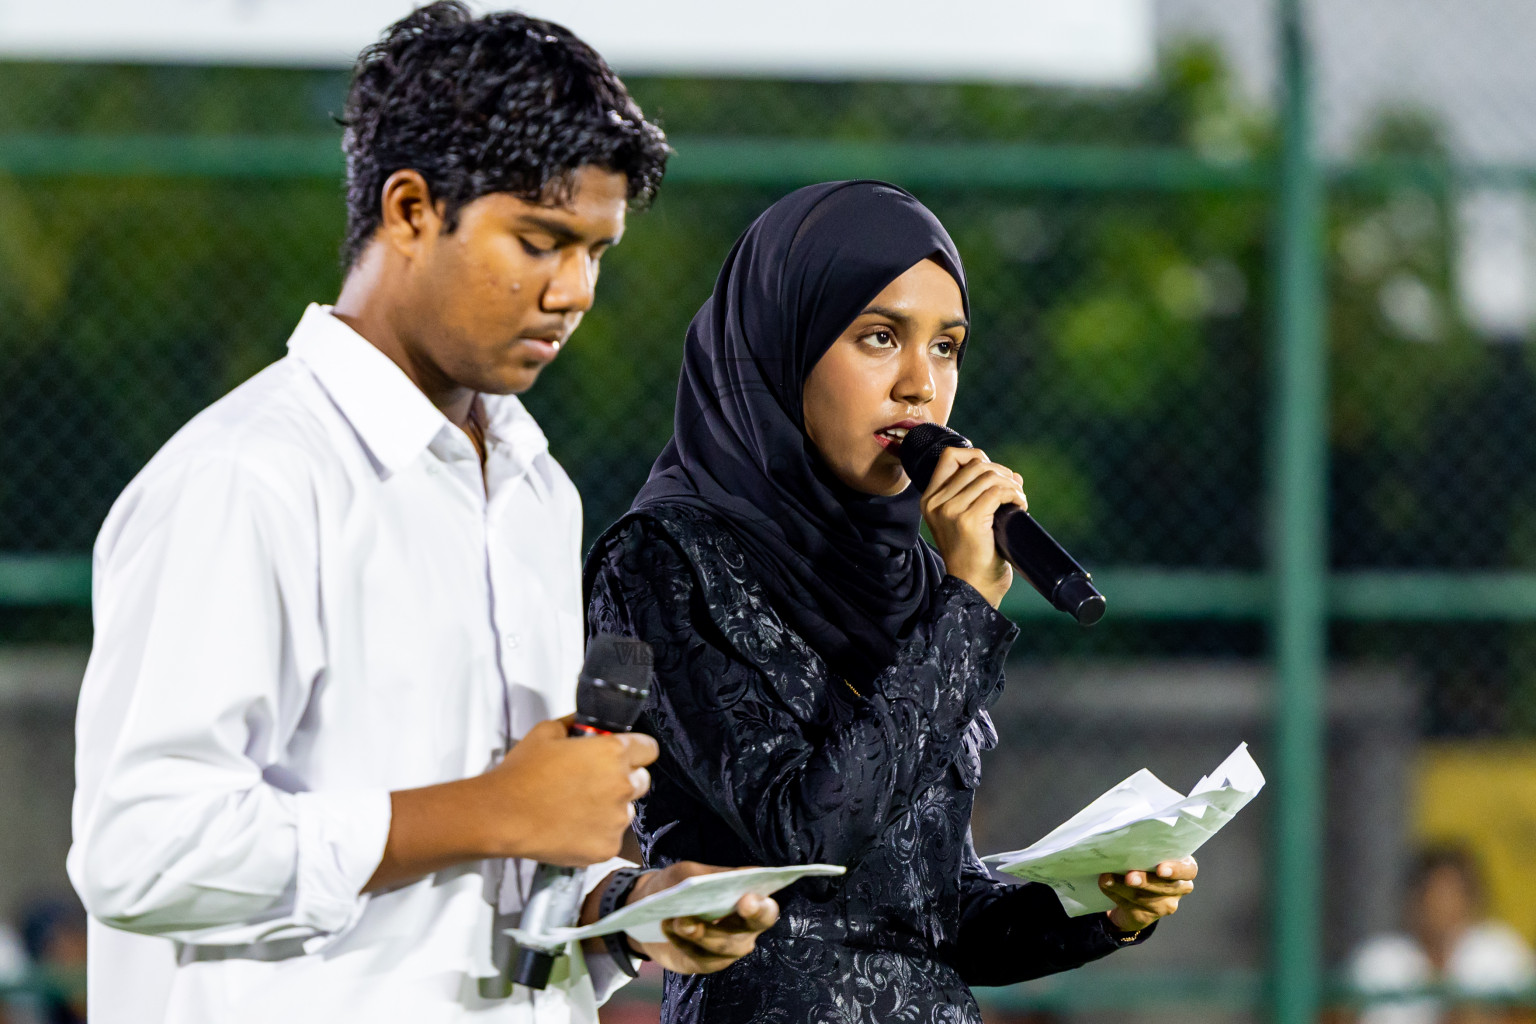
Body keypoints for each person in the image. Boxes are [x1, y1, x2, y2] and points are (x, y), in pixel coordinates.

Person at [67, 5, 776, 1023]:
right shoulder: (247, 477)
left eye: (596, 251)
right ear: (408, 211)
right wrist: (490, 809)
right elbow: (140, 851)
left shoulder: (535, 488)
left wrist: (621, 908)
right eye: (539, 241)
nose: (573, 291)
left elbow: (492, 871)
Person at [584, 180, 1198, 1023]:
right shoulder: (664, 560)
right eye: (880, 338)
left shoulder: (918, 583)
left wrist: (1099, 908)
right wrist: (968, 607)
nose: (921, 385)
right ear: (782, 344)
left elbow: (930, 918)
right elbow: (807, 839)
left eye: (947, 348)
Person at [1350, 845, 1535, 1024]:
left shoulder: (1499, 950)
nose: (1444, 907)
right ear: (1416, 900)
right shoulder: (1380, 958)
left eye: (1452, 895)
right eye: (1436, 895)